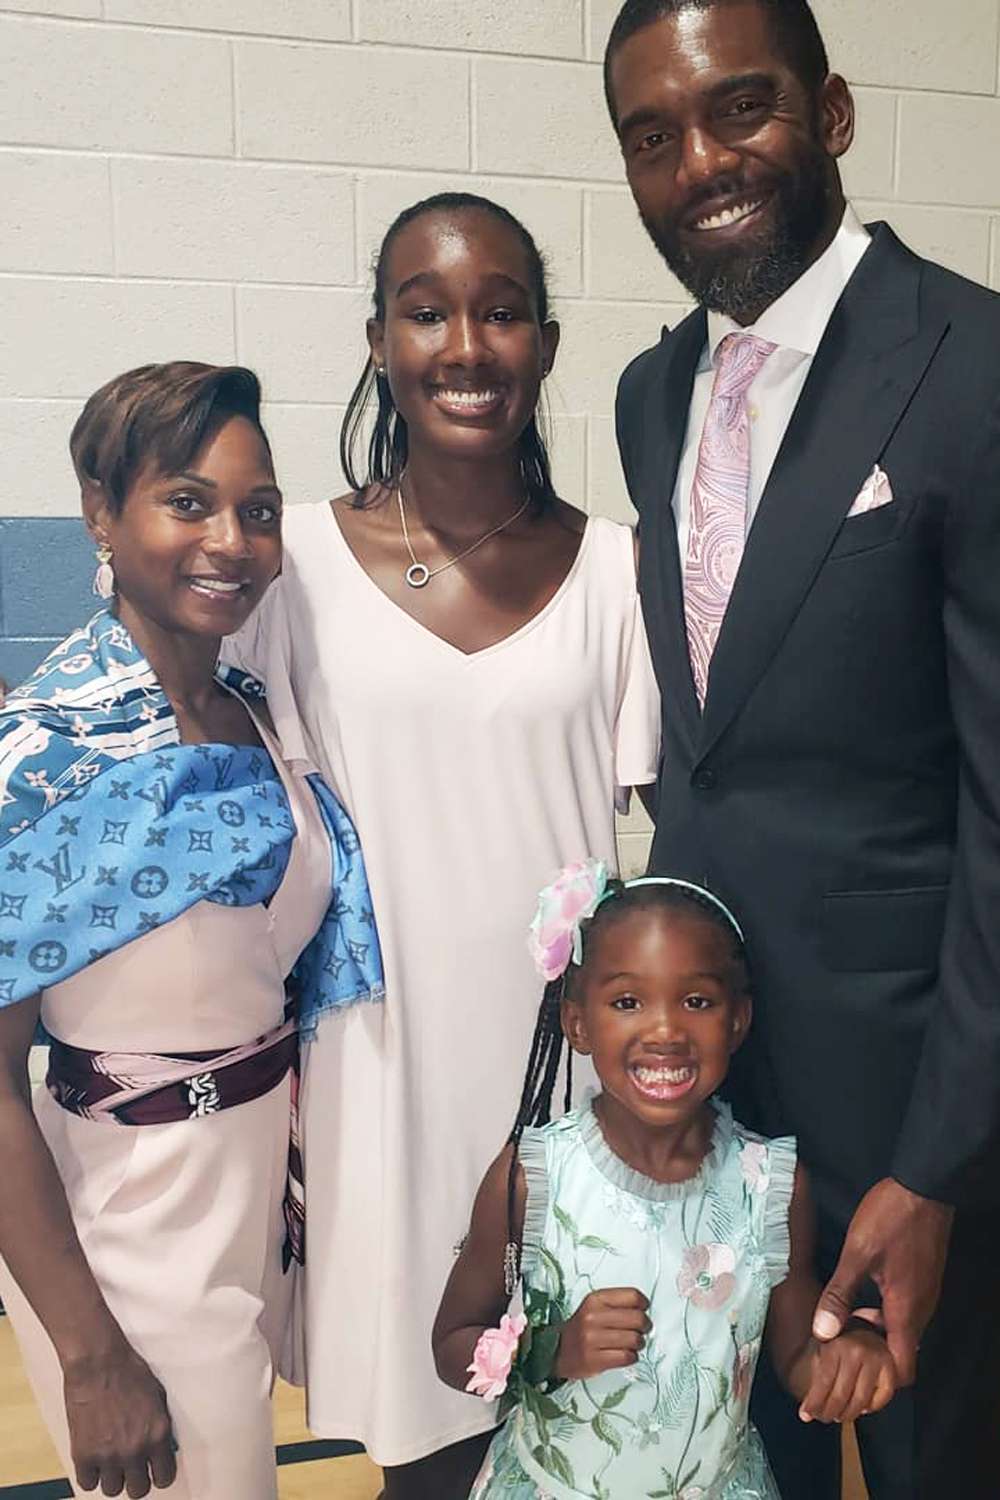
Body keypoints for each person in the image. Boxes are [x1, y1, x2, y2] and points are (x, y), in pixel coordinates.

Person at [604, 1, 1000, 1495]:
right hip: (707, 1100)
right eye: (653, 138)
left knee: (932, 1466)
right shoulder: (654, 395)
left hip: (917, 1111)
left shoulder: (970, 362)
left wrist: (940, 1164)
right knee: (729, 1462)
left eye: (739, 110)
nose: (700, 162)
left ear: (831, 111)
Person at [223, 192, 660, 1498]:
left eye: (502, 310)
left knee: (588, 1445)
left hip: (569, 1092)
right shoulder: (289, 565)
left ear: (543, 341)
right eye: (428, 311)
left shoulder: (620, 578)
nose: (466, 343)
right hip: (381, 1075)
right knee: (424, 1451)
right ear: (378, 339)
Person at [0, 362, 382, 1499]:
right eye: (187, 501)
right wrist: (88, 1353)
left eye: (257, 510)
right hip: (134, 1236)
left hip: (257, 1209)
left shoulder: (260, 716)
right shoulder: (43, 755)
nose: (232, 538)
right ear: (101, 513)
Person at [434, 861, 897, 1497]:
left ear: (738, 1021)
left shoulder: (770, 1186)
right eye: (627, 1001)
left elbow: (796, 1358)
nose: (664, 1031)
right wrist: (553, 1349)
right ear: (578, 1024)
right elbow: (451, 1343)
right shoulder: (533, 1176)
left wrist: (849, 1357)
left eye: (697, 1001)